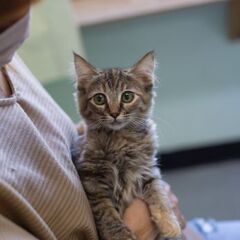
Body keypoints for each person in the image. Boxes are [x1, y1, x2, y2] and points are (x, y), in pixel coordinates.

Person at [0, 1, 239, 240]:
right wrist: (142, 230)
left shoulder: (9, 55)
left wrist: (160, 202)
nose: (114, 111)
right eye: (101, 99)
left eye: (126, 97)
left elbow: (147, 178)